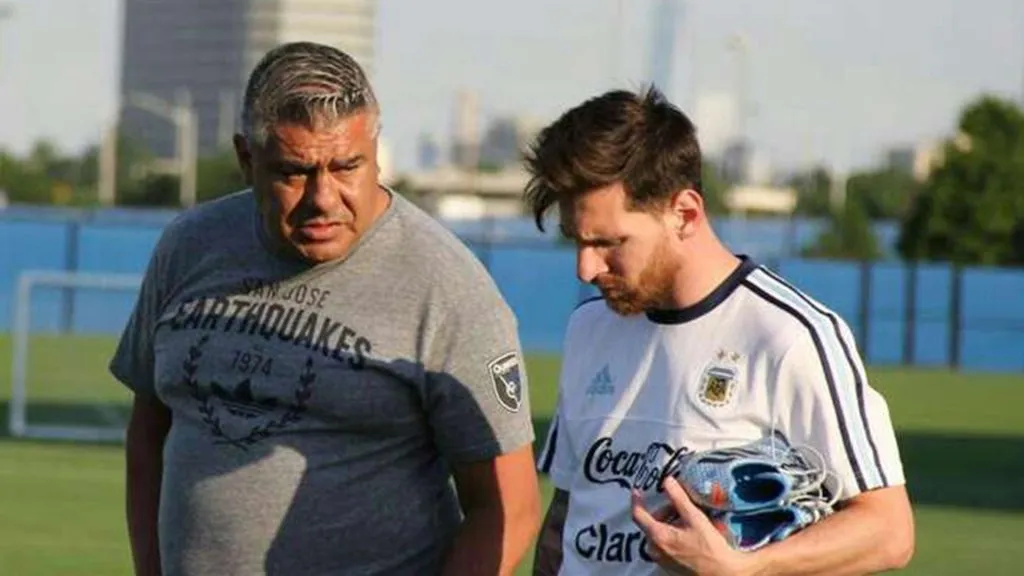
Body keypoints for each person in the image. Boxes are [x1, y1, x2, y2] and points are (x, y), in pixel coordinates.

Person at [110, 41, 541, 576]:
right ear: (247, 158)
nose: (323, 197)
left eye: (346, 166)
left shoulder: (446, 285)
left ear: (375, 148)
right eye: (294, 171)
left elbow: (509, 507)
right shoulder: (189, 246)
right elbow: (149, 435)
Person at [524, 87, 914, 575]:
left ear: (684, 213)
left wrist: (747, 568)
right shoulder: (588, 327)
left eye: (608, 242)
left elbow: (889, 532)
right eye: (577, 242)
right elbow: (567, 517)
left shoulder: (790, 336)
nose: (586, 267)